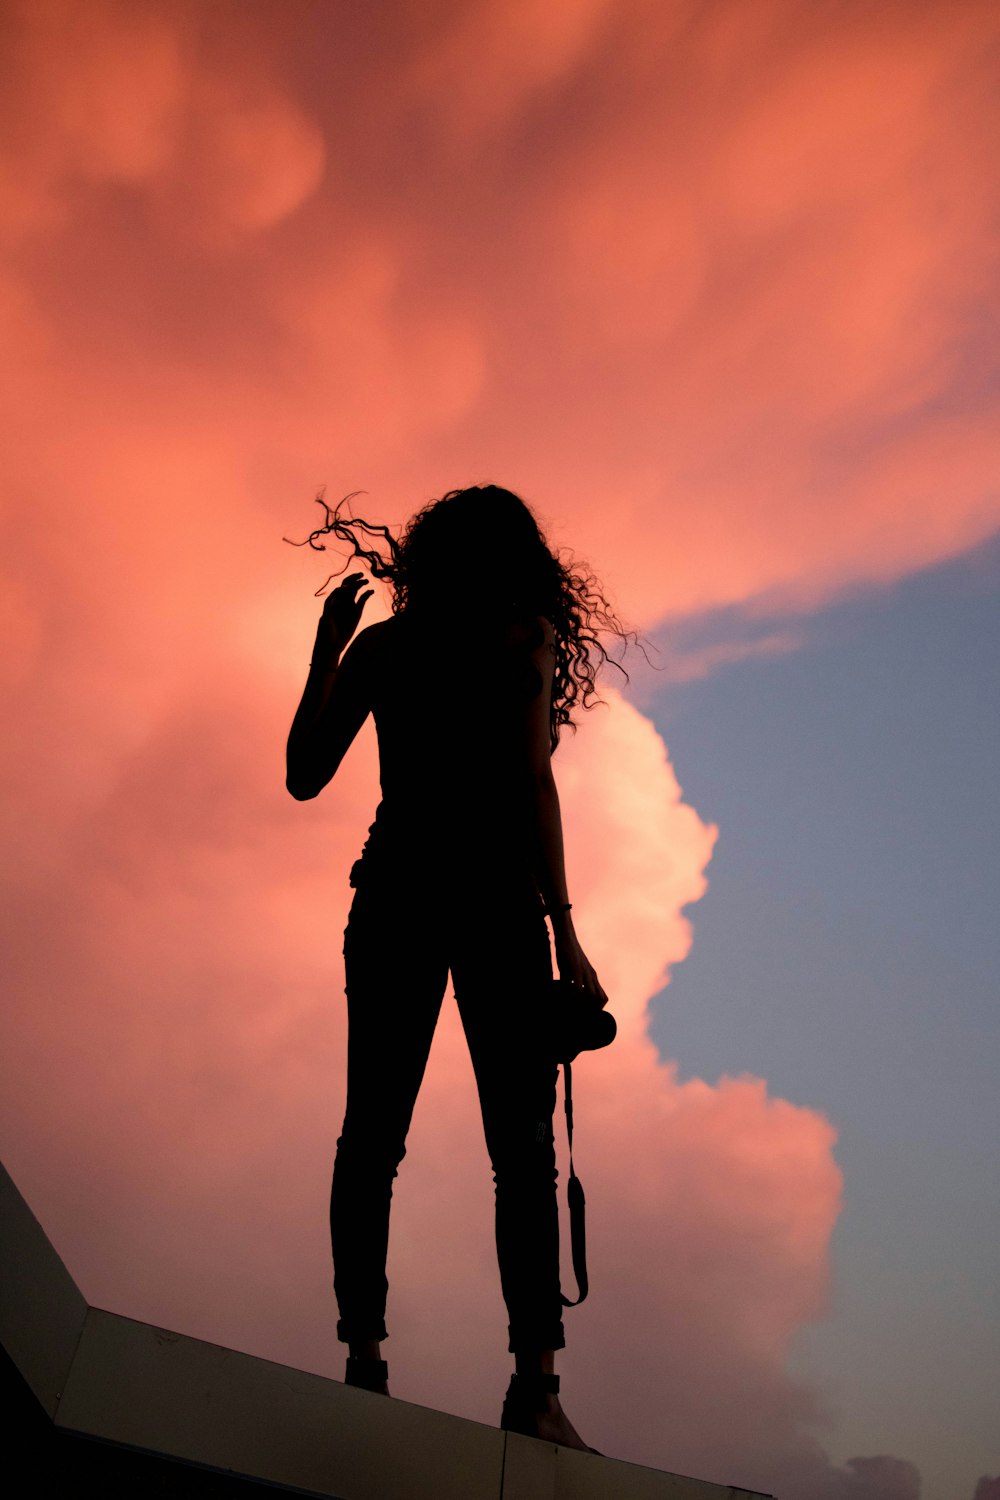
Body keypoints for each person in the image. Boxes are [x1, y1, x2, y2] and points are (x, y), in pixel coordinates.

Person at [285, 484, 631, 1451]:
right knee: (520, 1157)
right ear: (523, 561)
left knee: (373, 1139)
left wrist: (323, 656)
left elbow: (304, 771)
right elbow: (532, 786)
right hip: (494, 909)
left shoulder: (387, 648)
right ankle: (535, 1392)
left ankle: (364, 1367)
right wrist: (567, 929)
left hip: (398, 894)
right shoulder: (522, 641)